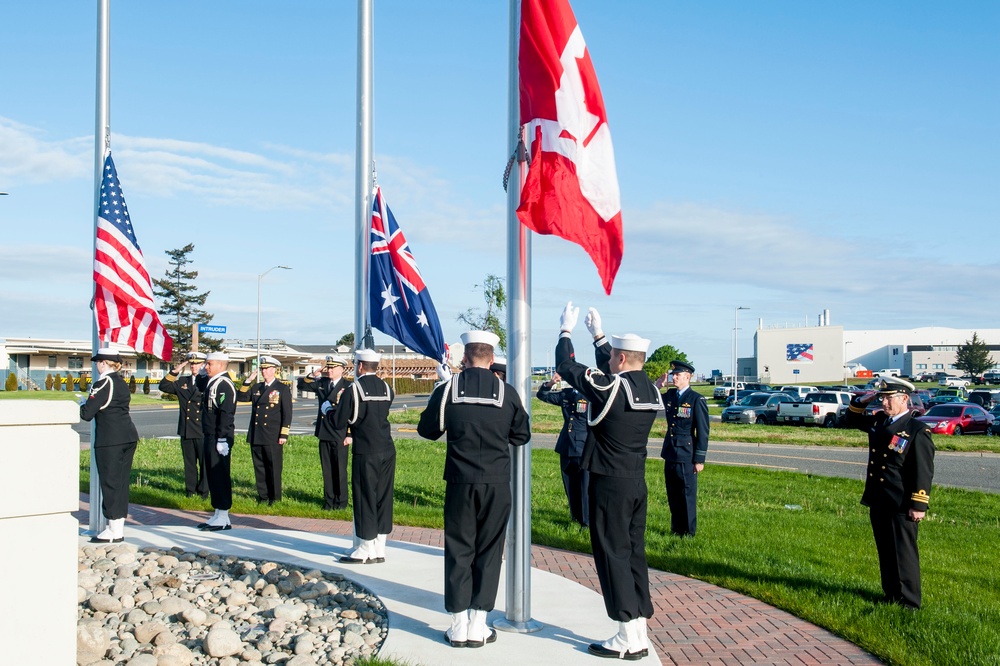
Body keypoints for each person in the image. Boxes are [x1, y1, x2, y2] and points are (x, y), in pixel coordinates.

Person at [554, 302, 660, 660]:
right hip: (636, 482)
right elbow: (610, 376)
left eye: (614, 355)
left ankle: (625, 635)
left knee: (611, 555)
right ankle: (639, 632)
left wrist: (565, 332)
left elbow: (567, 367)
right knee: (633, 554)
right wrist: (599, 337)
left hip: (609, 483)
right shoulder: (650, 392)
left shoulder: (612, 387)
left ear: (622, 360)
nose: (610, 360)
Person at [417, 330, 530, 649]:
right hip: (496, 483)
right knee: (489, 551)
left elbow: (427, 431)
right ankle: (479, 624)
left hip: (460, 482)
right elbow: (521, 436)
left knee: (459, 549)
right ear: (492, 359)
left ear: (464, 358)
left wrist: (439, 390)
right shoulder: (506, 392)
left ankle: (458, 624)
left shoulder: (449, 388)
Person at [844, 376, 934, 610]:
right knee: (885, 551)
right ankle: (892, 595)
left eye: (889, 398)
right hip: (879, 498)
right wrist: (866, 398)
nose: (884, 403)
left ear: (904, 399)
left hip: (901, 502)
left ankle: (909, 602)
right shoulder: (879, 422)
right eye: (882, 398)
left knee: (903, 554)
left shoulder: (916, 430)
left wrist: (919, 504)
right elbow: (851, 418)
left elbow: (922, 471)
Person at [329, 349, 395, 564]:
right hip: (387, 448)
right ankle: (379, 548)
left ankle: (364, 548)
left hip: (366, 451)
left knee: (364, 496)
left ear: (359, 366)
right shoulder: (387, 388)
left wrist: (327, 410)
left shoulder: (353, 389)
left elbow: (340, 421)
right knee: (383, 497)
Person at [80, 348, 140, 544]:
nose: (96, 365)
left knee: (110, 483)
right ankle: (117, 528)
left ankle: (112, 529)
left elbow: (87, 413)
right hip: (127, 436)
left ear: (104, 363)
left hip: (110, 440)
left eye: (98, 362)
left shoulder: (103, 382)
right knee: (121, 483)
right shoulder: (120, 381)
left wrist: (82, 403)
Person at [658, 360, 710, 536]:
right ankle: (676, 528)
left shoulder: (696, 399)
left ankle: (688, 531)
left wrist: (699, 459)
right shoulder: (671, 396)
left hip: (687, 454)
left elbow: (703, 431)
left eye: (678, 375)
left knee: (686, 494)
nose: (674, 378)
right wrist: (658, 385)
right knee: (673, 493)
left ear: (687, 377)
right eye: (673, 375)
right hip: (671, 452)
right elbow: (652, 401)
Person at [536, 372, 591, 528]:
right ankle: (575, 517)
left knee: (584, 486)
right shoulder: (566, 394)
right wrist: (551, 383)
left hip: (582, 447)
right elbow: (543, 396)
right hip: (566, 446)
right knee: (570, 484)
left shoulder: (591, 397)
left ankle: (586, 522)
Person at [298, 355, 351, 510]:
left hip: (340, 433)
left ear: (342, 369)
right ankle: (329, 502)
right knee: (327, 470)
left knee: (340, 470)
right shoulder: (322, 383)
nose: (329, 370)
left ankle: (341, 503)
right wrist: (313, 375)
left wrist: (349, 434)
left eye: (333, 367)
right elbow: (302, 386)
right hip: (324, 431)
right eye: (328, 367)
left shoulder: (348, 386)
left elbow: (352, 413)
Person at [238, 356, 293, 505]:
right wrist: (249, 380)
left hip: (273, 435)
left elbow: (287, 413)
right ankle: (263, 496)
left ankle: (274, 498)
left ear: (274, 370)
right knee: (260, 467)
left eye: (267, 368)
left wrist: (284, 434)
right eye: (262, 368)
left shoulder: (282, 388)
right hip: (257, 434)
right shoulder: (256, 388)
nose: (264, 371)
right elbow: (241, 396)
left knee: (273, 467)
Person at [158, 351, 209, 499]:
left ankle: (204, 491)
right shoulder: (183, 382)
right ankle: (190, 491)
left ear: (203, 365)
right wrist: (176, 370)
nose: (194, 367)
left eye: (198, 363)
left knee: (204, 463)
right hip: (186, 429)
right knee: (189, 463)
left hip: (201, 430)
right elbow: (164, 386)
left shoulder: (207, 382)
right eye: (192, 364)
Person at [198, 351, 237, 531]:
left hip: (218, 436)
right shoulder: (213, 382)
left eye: (209, 364)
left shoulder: (224, 384)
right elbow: (199, 386)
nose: (206, 367)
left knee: (220, 475)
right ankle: (217, 512)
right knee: (213, 475)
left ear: (221, 365)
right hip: (210, 435)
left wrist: (222, 439)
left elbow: (226, 414)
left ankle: (223, 516)